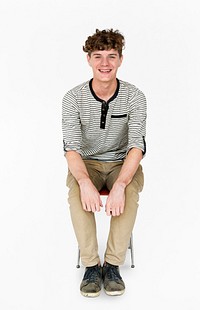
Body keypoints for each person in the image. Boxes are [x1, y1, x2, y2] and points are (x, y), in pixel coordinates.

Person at [62, 28, 147, 297]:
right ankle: (90, 265)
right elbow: (71, 148)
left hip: (123, 162)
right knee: (77, 192)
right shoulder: (72, 98)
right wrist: (85, 181)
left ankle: (111, 265)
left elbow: (137, 145)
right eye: (98, 56)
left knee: (130, 191)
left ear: (121, 59)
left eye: (111, 56)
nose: (105, 64)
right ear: (88, 59)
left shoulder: (135, 96)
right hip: (86, 163)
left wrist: (121, 184)